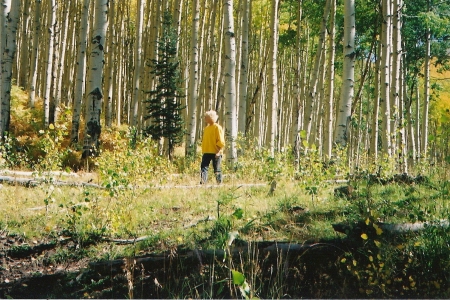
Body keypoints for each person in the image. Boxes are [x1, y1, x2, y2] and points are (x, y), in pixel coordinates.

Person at [200, 110, 225, 184]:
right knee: (204, 167)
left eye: (206, 117)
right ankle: (203, 182)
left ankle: (219, 183)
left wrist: (218, 151)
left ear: (211, 118)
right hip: (207, 151)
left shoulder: (217, 127)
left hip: (215, 151)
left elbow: (221, 140)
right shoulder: (207, 128)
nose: (205, 119)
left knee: (217, 169)